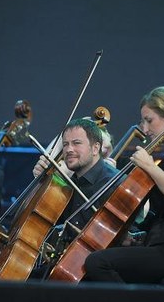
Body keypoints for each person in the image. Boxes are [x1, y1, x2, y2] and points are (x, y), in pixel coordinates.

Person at [83, 86, 164, 284]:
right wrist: (143, 236)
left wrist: (149, 166)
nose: (144, 128)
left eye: (149, 120)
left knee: (98, 263)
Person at [30, 118, 121, 278]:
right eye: (65, 144)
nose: (69, 149)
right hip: (67, 264)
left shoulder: (113, 182)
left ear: (95, 148)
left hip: (94, 272)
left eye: (77, 143)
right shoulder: (68, 183)